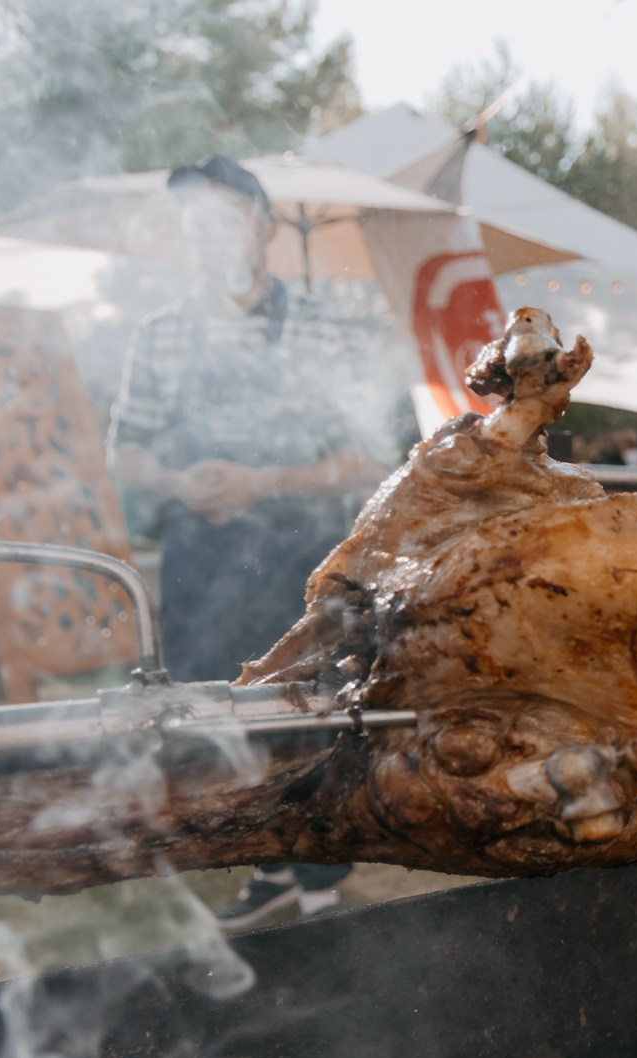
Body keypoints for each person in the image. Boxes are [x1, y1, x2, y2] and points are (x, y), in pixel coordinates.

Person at [107, 154, 393, 928]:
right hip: (202, 562)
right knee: (221, 717)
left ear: (263, 227)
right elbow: (125, 450)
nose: (206, 235)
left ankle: (322, 881)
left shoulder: (325, 326)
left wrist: (262, 482)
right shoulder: (160, 334)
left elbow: (368, 458)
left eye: (223, 217)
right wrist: (177, 481)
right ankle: (270, 868)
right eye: (192, 222)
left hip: (303, 555)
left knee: (310, 710)